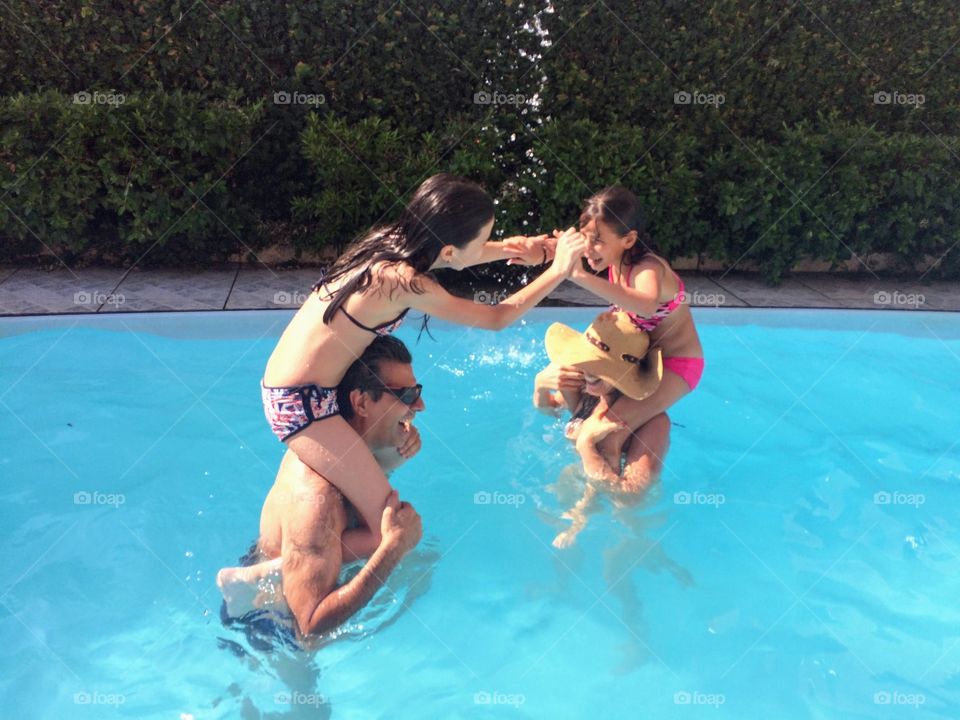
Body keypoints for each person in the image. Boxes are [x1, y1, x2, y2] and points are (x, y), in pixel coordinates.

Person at [261, 173, 588, 561]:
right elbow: (498, 317)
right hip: (303, 406)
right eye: (484, 239)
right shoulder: (405, 283)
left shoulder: (391, 245)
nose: (489, 245)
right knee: (390, 528)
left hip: (297, 387)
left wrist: (533, 249)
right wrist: (559, 270)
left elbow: (461, 252)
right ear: (448, 250)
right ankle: (276, 570)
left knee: (384, 477)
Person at [218, 336, 426, 644]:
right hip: (271, 626)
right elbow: (310, 625)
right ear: (361, 403)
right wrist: (393, 548)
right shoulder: (317, 499)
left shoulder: (340, 449)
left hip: (305, 559)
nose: (419, 405)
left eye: (417, 391)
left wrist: (394, 444)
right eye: (407, 395)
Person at [510, 186, 703, 479]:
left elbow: (647, 304)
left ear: (629, 239)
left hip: (676, 365)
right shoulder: (615, 259)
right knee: (580, 405)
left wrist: (578, 276)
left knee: (606, 436)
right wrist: (543, 251)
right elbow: (561, 246)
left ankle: (604, 505)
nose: (588, 247)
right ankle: (593, 492)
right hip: (635, 361)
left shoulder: (647, 268)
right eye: (586, 237)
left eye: (598, 241)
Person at [533, 311, 671, 548]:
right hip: (577, 486)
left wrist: (586, 445)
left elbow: (628, 497)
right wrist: (540, 387)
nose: (587, 370)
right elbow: (551, 410)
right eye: (586, 360)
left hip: (616, 524)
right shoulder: (589, 387)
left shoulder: (653, 422)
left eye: (599, 365)